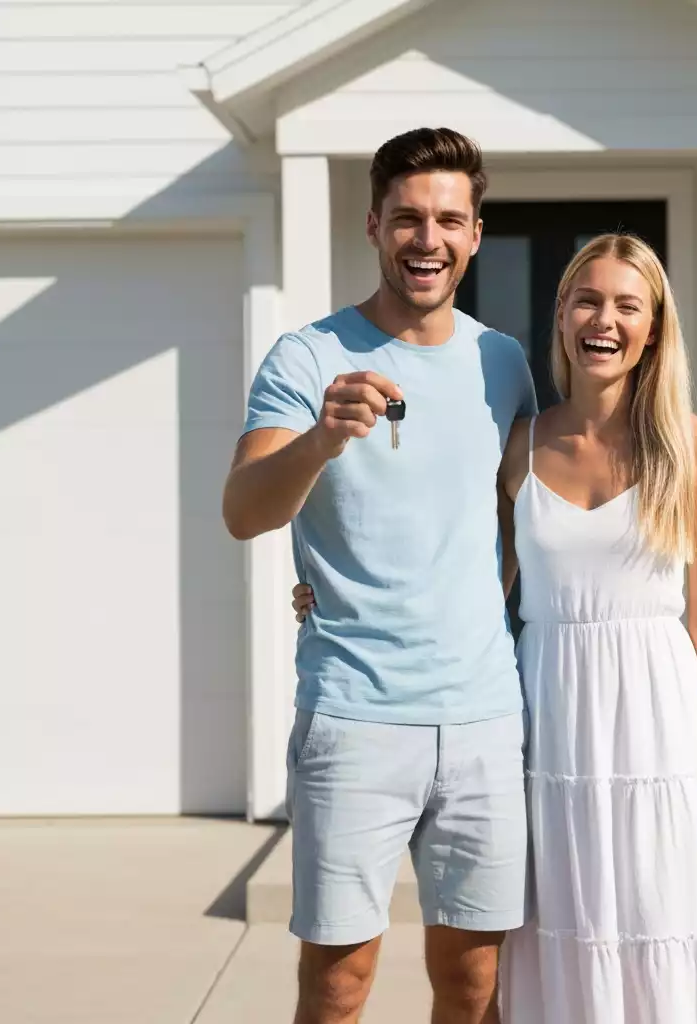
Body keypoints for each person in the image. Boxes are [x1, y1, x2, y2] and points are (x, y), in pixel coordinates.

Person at [293, 233, 697, 1021]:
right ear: (563, 317)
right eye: (587, 300)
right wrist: (331, 592)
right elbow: (459, 567)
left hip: (657, 726)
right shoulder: (522, 447)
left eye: (626, 306)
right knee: (548, 931)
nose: (603, 320)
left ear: (653, 329)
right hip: (548, 717)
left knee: (662, 919)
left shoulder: (694, 448)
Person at [223, 127, 536, 1024]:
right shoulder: (307, 357)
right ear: (374, 226)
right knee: (340, 981)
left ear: (476, 232)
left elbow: (522, 511)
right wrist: (322, 441)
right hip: (354, 719)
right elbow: (246, 510)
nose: (426, 238)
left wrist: (480, 597)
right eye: (407, 218)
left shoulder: (503, 362)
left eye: (447, 219)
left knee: (476, 982)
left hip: (484, 718)